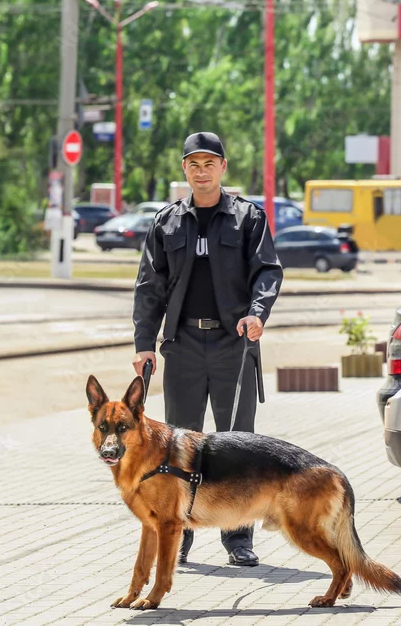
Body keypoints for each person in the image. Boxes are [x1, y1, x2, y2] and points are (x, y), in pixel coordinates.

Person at [131, 132, 284, 567]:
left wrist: (257, 313)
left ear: (222, 167)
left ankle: (238, 540)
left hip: (233, 345)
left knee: (237, 445)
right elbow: (149, 286)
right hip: (182, 347)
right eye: (194, 164)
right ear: (185, 169)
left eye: (209, 163)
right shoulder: (166, 222)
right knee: (178, 445)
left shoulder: (247, 218)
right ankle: (177, 535)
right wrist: (144, 344)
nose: (202, 172)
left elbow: (268, 271)